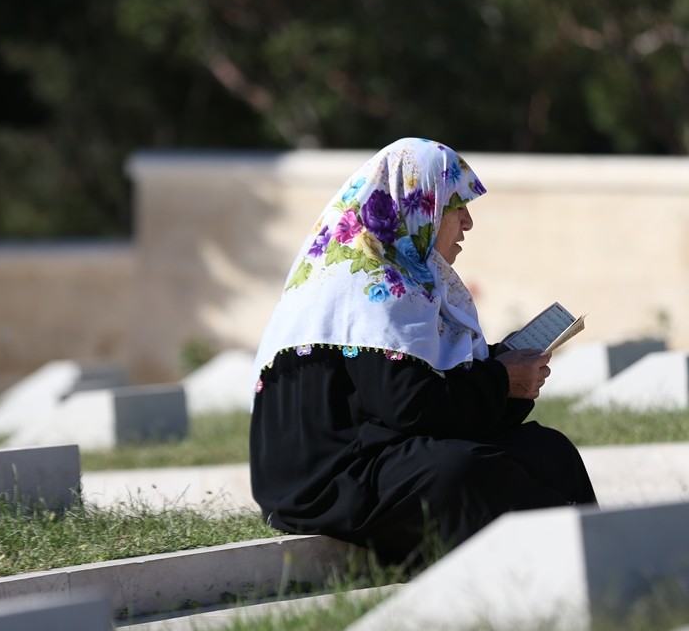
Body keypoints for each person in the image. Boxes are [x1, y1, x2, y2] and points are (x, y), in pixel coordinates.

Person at [249, 137, 597, 565]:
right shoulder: (366, 284)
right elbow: (410, 406)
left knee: (547, 450)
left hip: (378, 454)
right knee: (466, 471)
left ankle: (596, 561)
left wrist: (504, 376)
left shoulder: (406, 277)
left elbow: (418, 393)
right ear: (417, 207)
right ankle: (560, 570)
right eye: (456, 206)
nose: (467, 222)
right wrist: (501, 380)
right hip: (327, 481)